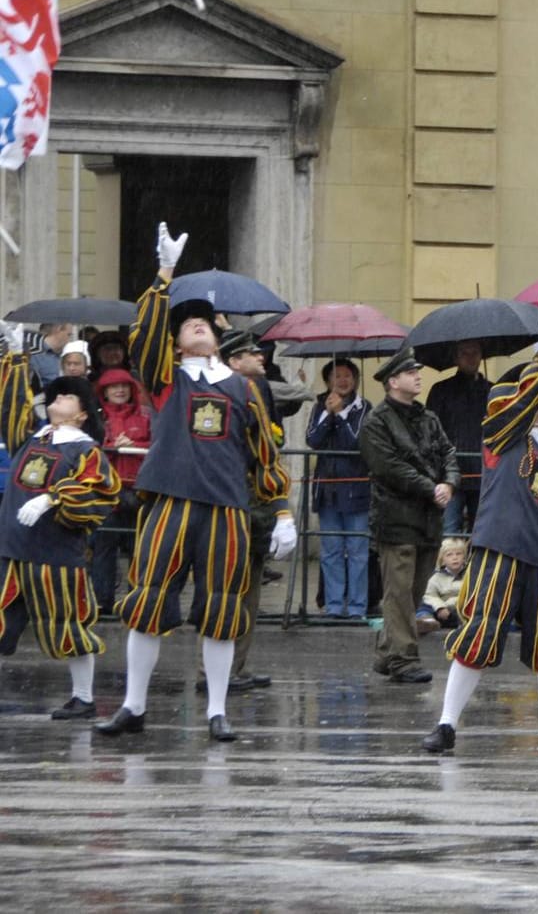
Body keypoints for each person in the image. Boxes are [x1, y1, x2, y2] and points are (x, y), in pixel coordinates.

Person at [95, 224, 295, 743]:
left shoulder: (244, 389)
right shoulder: (167, 377)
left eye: (206, 324)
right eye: (189, 326)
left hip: (226, 510)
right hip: (170, 503)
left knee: (223, 609)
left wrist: (283, 512)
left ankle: (216, 711)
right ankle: (135, 705)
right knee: (147, 601)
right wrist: (164, 275)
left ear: (219, 337)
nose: (198, 328)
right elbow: (144, 335)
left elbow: (264, 456)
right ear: (178, 342)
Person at [422, 343, 538, 754]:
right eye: (526, 395)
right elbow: (519, 404)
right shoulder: (499, 431)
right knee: (478, 634)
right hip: (499, 549)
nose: (536, 405)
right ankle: (447, 724)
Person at [0, 348, 122, 721]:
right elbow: (10, 409)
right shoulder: (32, 439)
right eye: (56, 394)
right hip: (11, 547)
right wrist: (15, 361)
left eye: (69, 395)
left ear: (83, 413)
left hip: (55, 553)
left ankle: (83, 698)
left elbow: (101, 491)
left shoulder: (86, 450)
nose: (58, 399)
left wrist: (53, 499)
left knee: (67, 623)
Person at [362, 346, 460, 686]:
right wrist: (430, 487)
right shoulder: (377, 422)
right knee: (399, 591)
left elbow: (448, 451)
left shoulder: (427, 417)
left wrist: (448, 481)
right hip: (396, 519)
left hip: (428, 519)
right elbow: (389, 467)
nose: (418, 376)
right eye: (410, 373)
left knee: (415, 590)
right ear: (393, 381)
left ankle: (388, 651)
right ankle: (404, 659)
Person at [204, 329, 288, 694]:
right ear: (234, 360)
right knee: (225, 593)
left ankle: (236, 667)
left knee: (250, 592)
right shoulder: (218, 393)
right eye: (253, 354)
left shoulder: (260, 389)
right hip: (231, 504)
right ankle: (215, 672)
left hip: (256, 504)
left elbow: (271, 441)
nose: (261, 357)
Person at [308, 358, 372, 618]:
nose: (342, 381)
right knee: (331, 549)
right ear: (327, 381)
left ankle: (357, 607)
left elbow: (355, 444)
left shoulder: (363, 407)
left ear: (355, 380)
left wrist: (342, 415)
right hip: (328, 490)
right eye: (336, 376)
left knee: (357, 551)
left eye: (347, 376)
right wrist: (328, 415)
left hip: (355, 489)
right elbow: (313, 440)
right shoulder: (319, 406)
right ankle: (334, 605)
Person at [90, 366, 149, 610]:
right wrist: (113, 445)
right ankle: (103, 601)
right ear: (104, 391)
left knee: (139, 546)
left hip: (139, 489)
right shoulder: (96, 418)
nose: (120, 390)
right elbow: (91, 449)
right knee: (104, 546)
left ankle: (135, 600)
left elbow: (155, 444)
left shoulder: (146, 415)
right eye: (114, 386)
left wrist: (132, 444)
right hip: (108, 490)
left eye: (124, 386)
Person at [425, 340, 490, 534]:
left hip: (483, 472)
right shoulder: (440, 390)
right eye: (464, 353)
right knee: (449, 532)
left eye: (475, 352)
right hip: (449, 473)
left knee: (481, 532)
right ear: (455, 358)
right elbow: (431, 432)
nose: (471, 357)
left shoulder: (493, 391)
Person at [417, 538, 466, 633]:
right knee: (423, 604)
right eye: (449, 555)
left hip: (460, 609)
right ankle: (427, 621)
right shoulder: (437, 577)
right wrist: (440, 607)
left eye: (458, 554)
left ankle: (466, 624)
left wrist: (454, 603)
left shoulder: (471, 574)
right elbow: (429, 594)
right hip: (441, 611)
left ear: (464, 557)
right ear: (442, 560)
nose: (455, 557)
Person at [29, 322, 72, 387]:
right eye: (68, 335)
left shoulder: (66, 354)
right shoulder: (34, 354)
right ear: (59, 329)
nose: (69, 340)